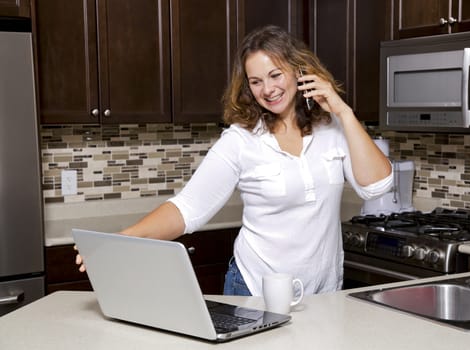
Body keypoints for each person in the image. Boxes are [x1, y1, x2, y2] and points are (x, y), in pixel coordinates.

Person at [76, 25, 393, 296]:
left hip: (323, 295)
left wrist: (344, 112)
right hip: (255, 290)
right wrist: (120, 240)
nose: (267, 89)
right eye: (256, 81)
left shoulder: (334, 128)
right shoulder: (240, 141)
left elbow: (377, 186)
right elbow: (188, 208)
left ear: (299, 72)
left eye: (275, 75)